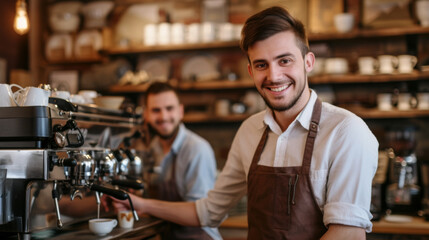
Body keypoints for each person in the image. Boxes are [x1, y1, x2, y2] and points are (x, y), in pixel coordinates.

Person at [103, 6, 378, 240]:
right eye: (261, 65)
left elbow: (348, 234)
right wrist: (140, 204)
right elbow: (209, 211)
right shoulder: (250, 131)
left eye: (285, 60)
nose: (274, 75)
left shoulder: (346, 132)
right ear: (250, 70)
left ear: (308, 62)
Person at [131, 82, 220, 240]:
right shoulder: (153, 148)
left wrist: (145, 206)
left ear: (180, 111)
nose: (163, 117)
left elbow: (200, 215)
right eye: (156, 110)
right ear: (146, 115)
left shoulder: (197, 149)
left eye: (169, 108)